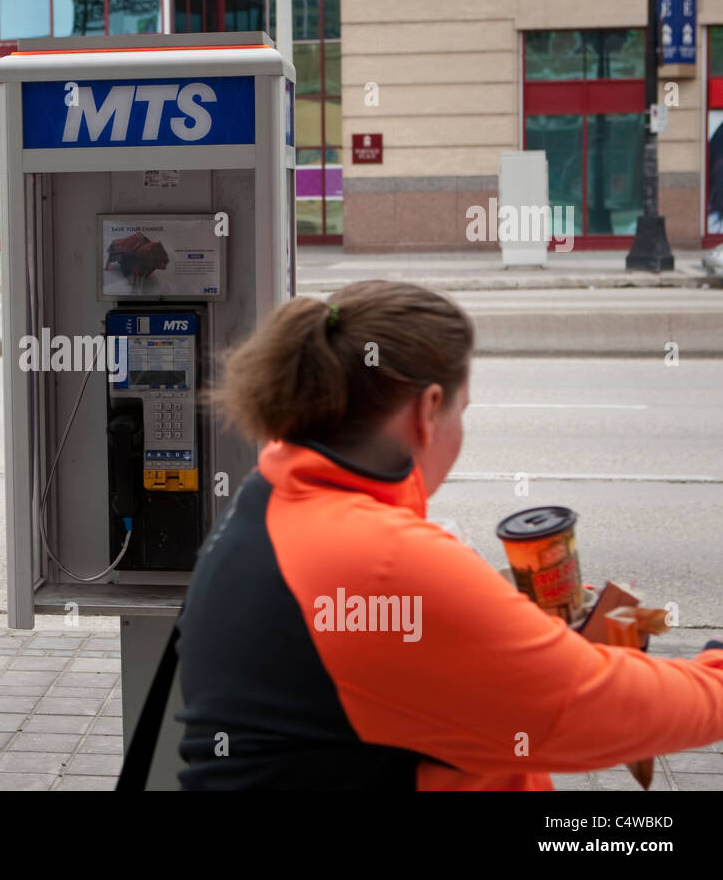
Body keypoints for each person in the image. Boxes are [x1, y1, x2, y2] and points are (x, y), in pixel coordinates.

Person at [176, 280, 723, 790]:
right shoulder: (381, 559)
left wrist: (521, 641)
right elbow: (587, 711)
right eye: (464, 410)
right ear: (428, 409)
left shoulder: (273, 496)